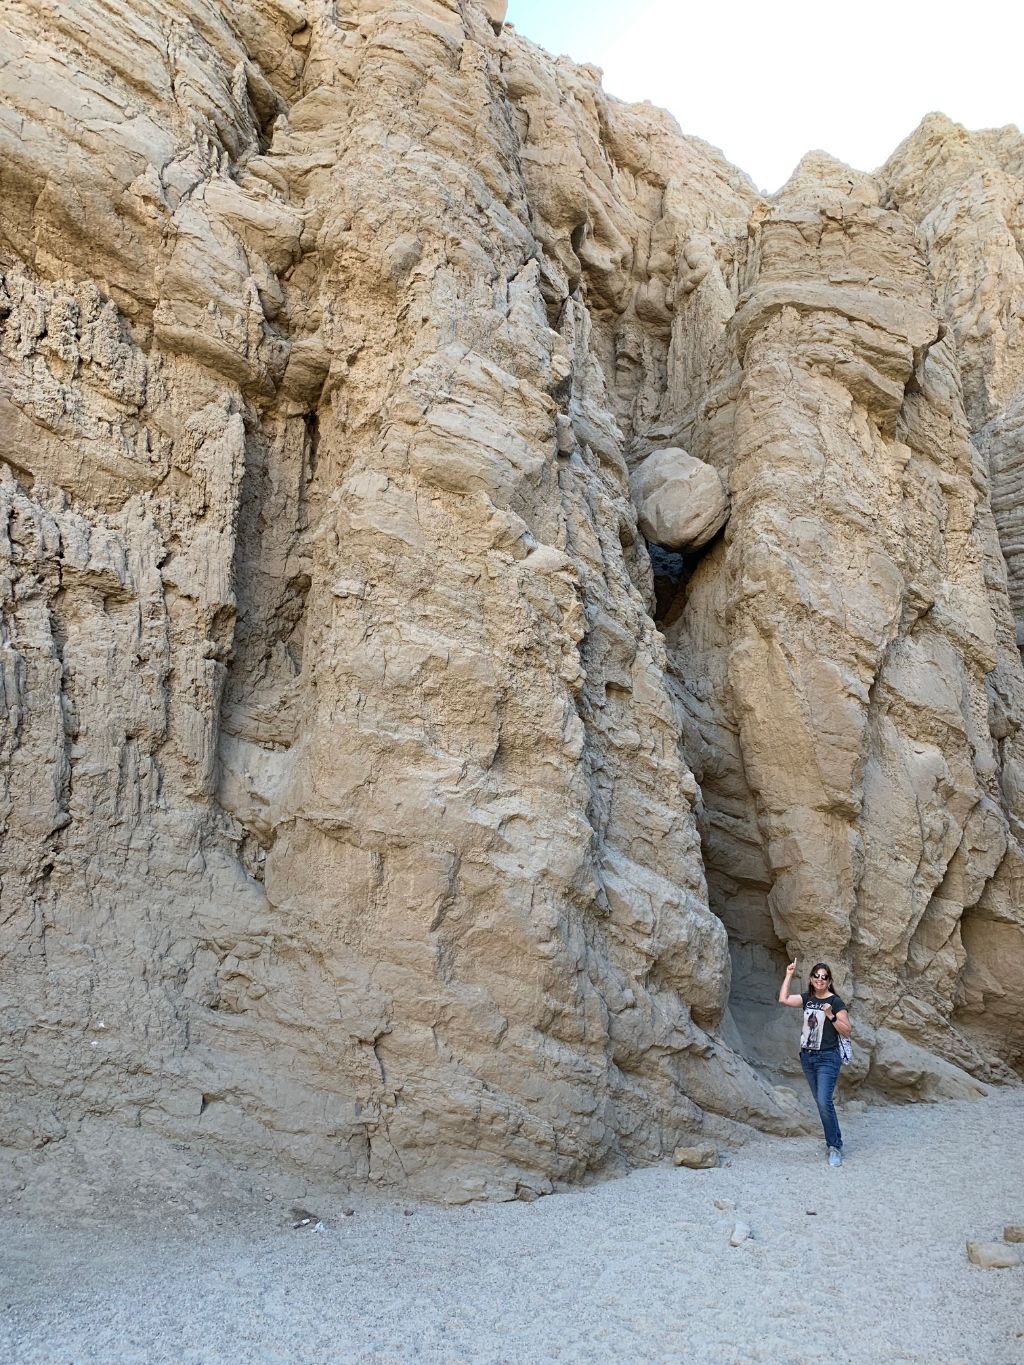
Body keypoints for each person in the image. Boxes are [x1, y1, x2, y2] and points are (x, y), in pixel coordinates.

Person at [778, 959, 851, 1166]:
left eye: (824, 977)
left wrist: (831, 1016)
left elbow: (847, 1030)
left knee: (823, 1101)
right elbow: (783, 999)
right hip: (808, 1057)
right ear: (811, 979)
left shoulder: (835, 1002)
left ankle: (834, 1146)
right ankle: (835, 1139)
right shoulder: (807, 999)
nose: (820, 980)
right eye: (817, 976)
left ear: (829, 981)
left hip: (828, 1057)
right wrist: (789, 974)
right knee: (822, 1102)